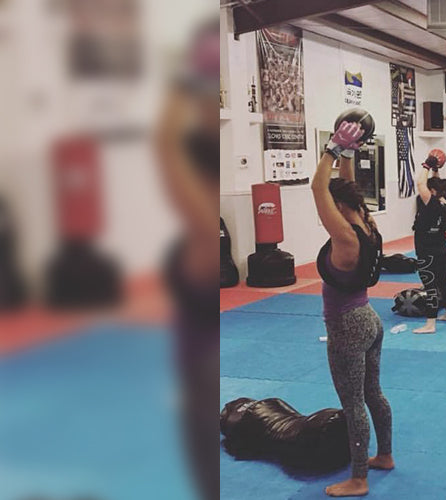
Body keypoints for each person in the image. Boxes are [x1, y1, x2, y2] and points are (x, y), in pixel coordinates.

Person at [154, 19, 221, 500]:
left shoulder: (200, 231)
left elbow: (164, 151)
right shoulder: (195, 232)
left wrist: (181, 88)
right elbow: (167, 155)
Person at [312, 119, 394, 497]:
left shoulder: (344, 236)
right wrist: (349, 154)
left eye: (332, 203)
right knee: (373, 393)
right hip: (370, 320)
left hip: (347, 325)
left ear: (338, 206)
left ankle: (358, 478)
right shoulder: (367, 224)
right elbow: (347, 188)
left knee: (353, 402)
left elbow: (317, 187)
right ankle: (385, 456)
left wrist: (331, 149)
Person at [413, 151, 446, 333]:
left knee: (429, 285)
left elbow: (421, 183)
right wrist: (436, 170)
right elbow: (435, 185)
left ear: (431, 192)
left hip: (426, 251)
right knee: (443, 282)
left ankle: (430, 324)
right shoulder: (444, 200)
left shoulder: (431, 203)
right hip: (441, 249)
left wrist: (427, 165)